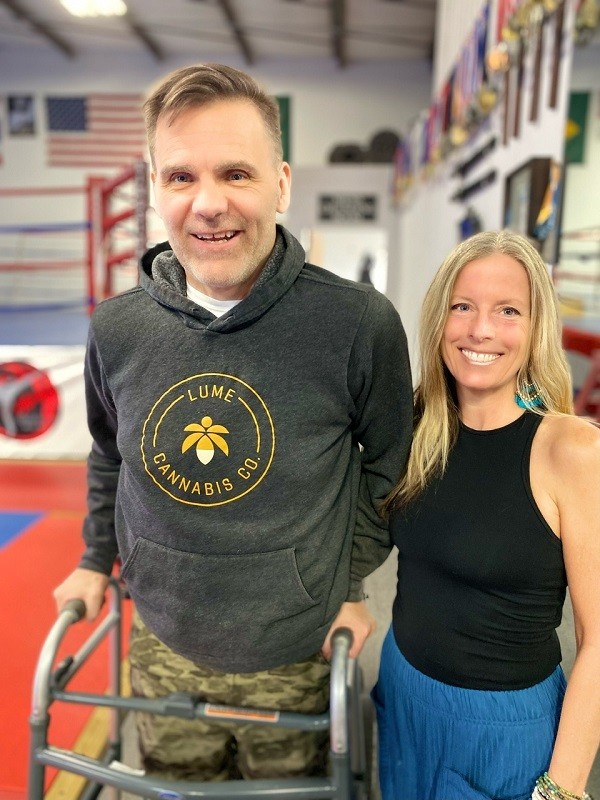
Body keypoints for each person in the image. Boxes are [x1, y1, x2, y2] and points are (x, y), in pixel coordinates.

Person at [53, 63, 413, 782]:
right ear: (155, 188)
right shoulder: (117, 329)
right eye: (181, 177)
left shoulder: (356, 323)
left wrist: (348, 585)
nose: (208, 203)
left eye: (236, 174)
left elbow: (391, 465)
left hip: (296, 646)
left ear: (281, 183)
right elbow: (107, 455)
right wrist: (96, 559)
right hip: (159, 638)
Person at [373, 230, 600, 800]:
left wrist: (562, 790)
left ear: (534, 327)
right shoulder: (416, 425)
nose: (480, 329)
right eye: (463, 306)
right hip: (402, 692)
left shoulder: (570, 450)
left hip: (503, 728)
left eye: (507, 310)